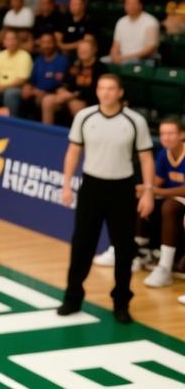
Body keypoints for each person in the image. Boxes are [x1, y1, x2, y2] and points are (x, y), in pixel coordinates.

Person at [59, 74, 155, 323]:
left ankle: (121, 302)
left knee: (124, 249)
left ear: (120, 92)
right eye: (102, 88)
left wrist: (148, 191)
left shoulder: (134, 121)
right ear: (97, 91)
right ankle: (72, 298)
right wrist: (66, 184)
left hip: (122, 189)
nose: (106, 93)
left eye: (111, 88)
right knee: (81, 246)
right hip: (92, 187)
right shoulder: (85, 116)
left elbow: (146, 158)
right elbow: (73, 151)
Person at [144, 117, 185, 289]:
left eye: (171, 133)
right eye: (163, 134)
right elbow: (157, 182)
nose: (166, 137)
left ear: (182, 135)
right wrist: (146, 189)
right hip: (172, 197)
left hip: (178, 200)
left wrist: (159, 192)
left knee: (169, 206)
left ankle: (165, 267)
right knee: (142, 198)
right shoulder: (163, 154)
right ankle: (140, 251)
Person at [41, 38, 107, 125]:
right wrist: (61, 90)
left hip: (87, 101)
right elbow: (64, 81)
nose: (82, 52)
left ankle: (80, 133)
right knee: (47, 100)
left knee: (75, 104)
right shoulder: (74, 64)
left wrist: (72, 95)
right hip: (68, 96)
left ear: (94, 50)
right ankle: (46, 130)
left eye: (85, 50)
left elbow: (95, 91)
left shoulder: (100, 68)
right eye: (80, 50)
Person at [0, 32, 65, 119]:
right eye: (43, 42)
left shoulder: (62, 61)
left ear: (54, 43)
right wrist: (28, 87)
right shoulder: (38, 60)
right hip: (35, 92)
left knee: (45, 100)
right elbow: (32, 80)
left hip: (53, 95)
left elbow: (60, 84)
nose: (46, 46)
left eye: (49, 42)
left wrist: (42, 91)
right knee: (21, 94)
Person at [107, 0, 160, 64]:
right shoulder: (121, 21)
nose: (131, 6)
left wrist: (125, 58)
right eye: (128, 4)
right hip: (123, 58)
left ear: (140, 5)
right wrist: (114, 57)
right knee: (103, 62)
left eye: (134, 3)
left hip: (143, 60)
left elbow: (151, 48)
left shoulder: (150, 21)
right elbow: (116, 45)